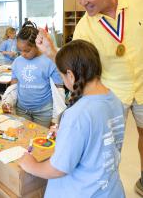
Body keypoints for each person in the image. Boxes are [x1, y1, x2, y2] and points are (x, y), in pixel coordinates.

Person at [35, 0, 143, 196]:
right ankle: (107, 178)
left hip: (142, 84)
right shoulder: (84, 26)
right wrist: (52, 52)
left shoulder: (138, 0)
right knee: (111, 142)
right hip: (114, 93)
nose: (83, 2)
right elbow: (73, 65)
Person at [19, 40, 125, 198]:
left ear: (70, 75)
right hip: (110, 189)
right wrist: (66, 133)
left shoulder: (78, 114)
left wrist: (32, 165)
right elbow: (100, 141)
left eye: (62, 76)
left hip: (81, 191)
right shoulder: (114, 100)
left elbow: (58, 168)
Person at [2, 21, 64, 127]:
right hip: (22, 110)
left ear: (37, 45)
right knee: (24, 138)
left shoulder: (49, 61)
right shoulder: (17, 62)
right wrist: (8, 101)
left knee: (42, 139)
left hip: (44, 112)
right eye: (20, 50)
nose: (23, 54)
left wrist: (56, 118)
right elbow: (14, 87)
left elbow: (59, 90)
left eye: (27, 50)